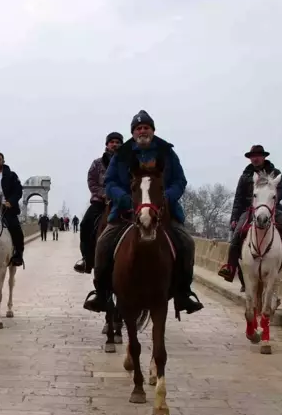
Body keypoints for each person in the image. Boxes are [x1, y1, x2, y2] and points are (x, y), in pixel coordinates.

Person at [83, 110, 203, 316]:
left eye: (146, 127)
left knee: (187, 243)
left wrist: (166, 198)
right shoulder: (122, 154)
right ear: (133, 132)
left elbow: (180, 181)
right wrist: (126, 199)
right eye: (138, 128)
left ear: (153, 130)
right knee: (103, 244)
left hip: (163, 212)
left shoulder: (167, 153)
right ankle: (101, 292)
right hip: (126, 212)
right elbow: (110, 182)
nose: (142, 131)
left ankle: (184, 292)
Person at [218, 144, 282, 283]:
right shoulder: (245, 176)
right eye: (253, 157)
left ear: (264, 157)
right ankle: (230, 267)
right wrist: (234, 218)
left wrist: (271, 199)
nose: (255, 159)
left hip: (272, 209)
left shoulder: (275, 173)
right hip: (249, 210)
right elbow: (238, 198)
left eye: (258, 156)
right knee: (236, 237)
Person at [74, 132, 124, 274]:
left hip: (121, 202)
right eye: (112, 142)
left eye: (118, 142)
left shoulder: (126, 162)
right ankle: (87, 259)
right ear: (107, 144)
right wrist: (103, 194)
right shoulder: (97, 163)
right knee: (85, 225)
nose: (115, 144)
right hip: (100, 202)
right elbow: (92, 182)